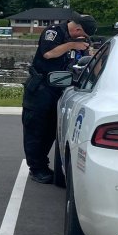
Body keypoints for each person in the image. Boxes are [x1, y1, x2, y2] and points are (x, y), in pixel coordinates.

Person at [21, 12, 97, 183]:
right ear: (77, 29)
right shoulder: (53, 32)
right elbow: (48, 54)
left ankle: (43, 165)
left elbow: (86, 61)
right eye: (83, 35)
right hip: (41, 87)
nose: (83, 39)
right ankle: (36, 168)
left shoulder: (80, 41)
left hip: (61, 88)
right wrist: (71, 45)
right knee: (36, 130)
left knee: (51, 130)